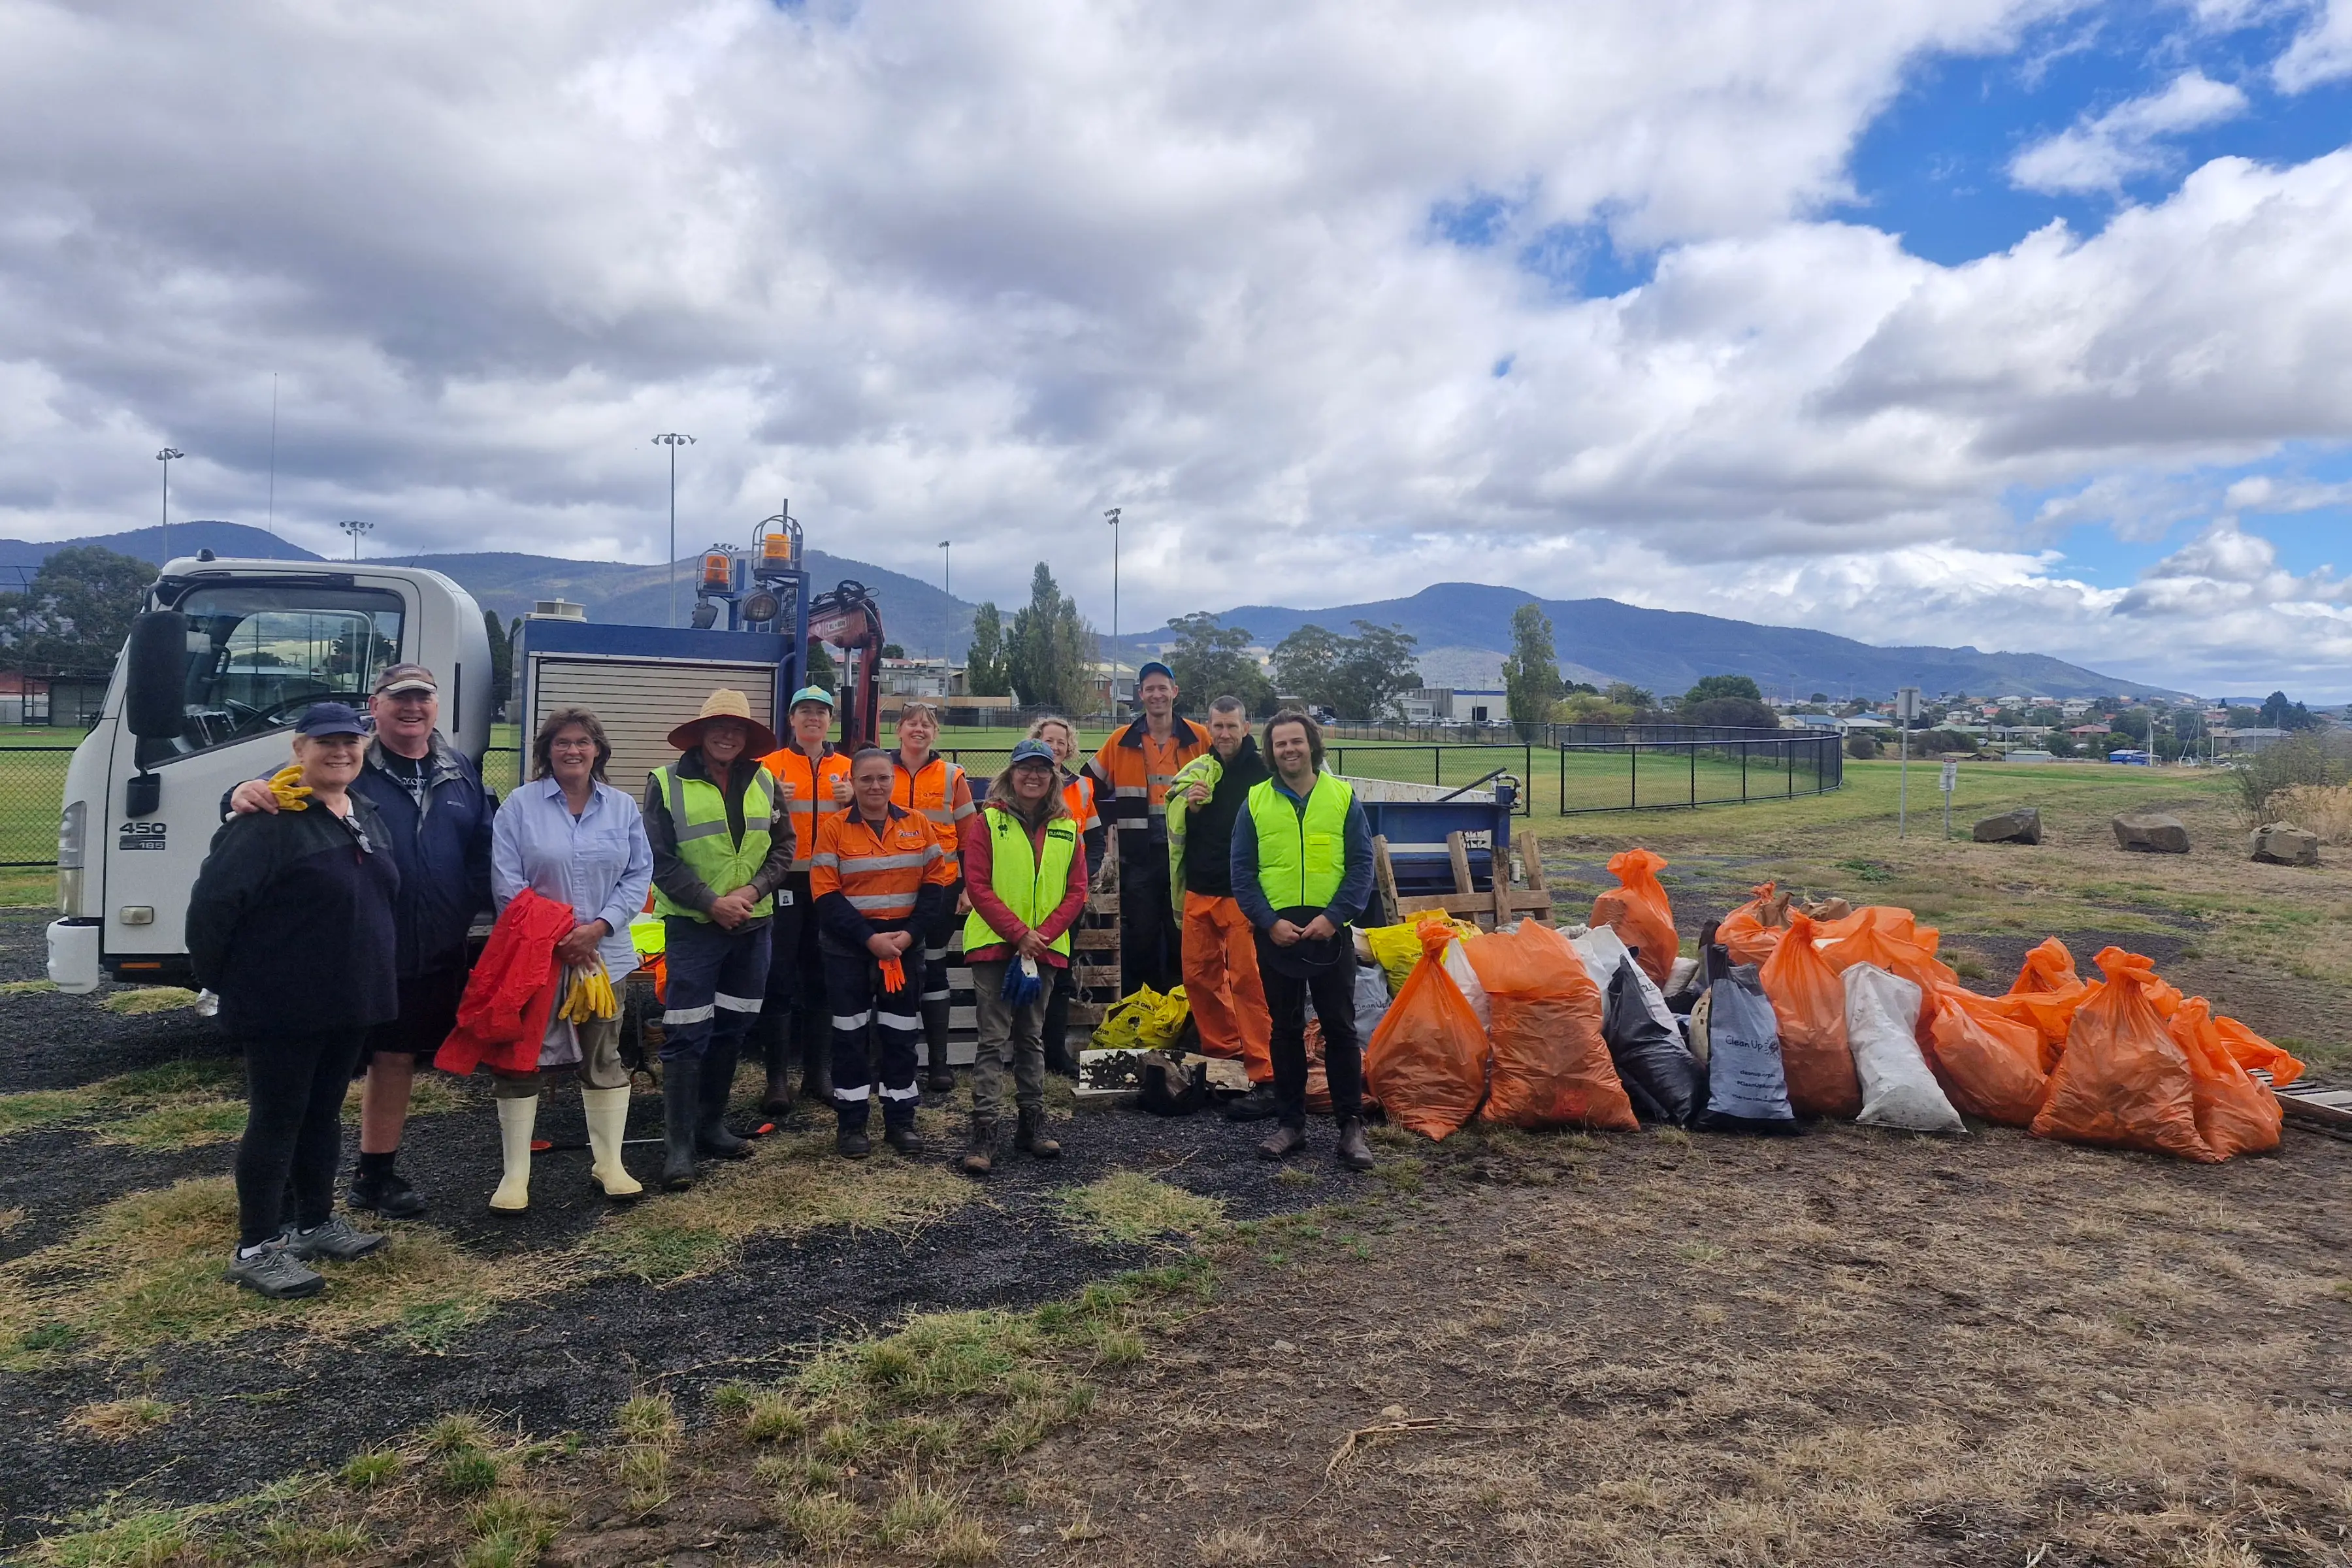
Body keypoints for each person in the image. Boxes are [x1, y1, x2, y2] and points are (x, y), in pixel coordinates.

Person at [227, 662, 495, 1219]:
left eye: (422, 698)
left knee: (395, 1059)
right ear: (376, 707)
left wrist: (460, 910)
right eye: (399, 699)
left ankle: (374, 1176)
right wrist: (240, 790)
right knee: (314, 1077)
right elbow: (261, 798)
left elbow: (481, 851)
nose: (412, 708)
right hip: (348, 949)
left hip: (429, 947)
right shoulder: (346, 759)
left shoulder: (461, 770)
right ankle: (283, 1195)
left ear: (436, 707)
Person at [189, 703, 397, 1299]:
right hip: (283, 1000)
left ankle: (314, 1222)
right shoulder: (269, 819)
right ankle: (256, 1246)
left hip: (349, 998)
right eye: (326, 743)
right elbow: (212, 907)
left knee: (322, 1113)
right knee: (277, 1118)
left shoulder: (367, 815)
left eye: (351, 742)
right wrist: (222, 979)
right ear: (299, 750)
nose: (341, 752)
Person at [482, 707, 654, 1209]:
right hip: (536, 958)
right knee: (521, 1061)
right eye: (561, 743)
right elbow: (506, 881)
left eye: (582, 742)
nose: (572, 750)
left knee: (603, 1056)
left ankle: (610, 1165)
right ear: (547, 752)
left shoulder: (622, 808)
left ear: (597, 749)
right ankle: (516, 1176)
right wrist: (555, 937)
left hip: (605, 957)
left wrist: (598, 929)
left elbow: (637, 876)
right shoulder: (520, 805)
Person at [644, 689, 794, 1190]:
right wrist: (712, 903)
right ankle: (679, 1145)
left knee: (732, 1028)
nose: (728, 736)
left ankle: (712, 1126)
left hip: (754, 925)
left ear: (748, 739)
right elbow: (659, 859)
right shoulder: (665, 783)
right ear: (702, 733)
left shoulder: (766, 780)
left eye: (737, 730)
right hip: (694, 928)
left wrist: (752, 891)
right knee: (687, 1033)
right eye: (719, 728)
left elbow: (784, 847)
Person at [1232, 708, 1376, 1171]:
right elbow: (1242, 872)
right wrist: (1267, 922)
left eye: (1297, 742)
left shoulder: (1342, 797)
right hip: (1278, 935)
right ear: (1271, 752)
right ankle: (1291, 1125)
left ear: (1312, 745)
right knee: (1285, 1029)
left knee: (1340, 1029)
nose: (1289, 750)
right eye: (1280, 744)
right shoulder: (1254, 801)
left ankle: (1350, 1127)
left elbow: (1361, 865)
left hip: (1328, 936)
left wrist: (1334, 918)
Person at [811, 747, 957, 1158]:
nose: (875, 786)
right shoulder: (834, 829)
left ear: (892, 780)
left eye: (882, 779)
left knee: (900, 1034)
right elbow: (825, 895)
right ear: (852, 783)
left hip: (903, 949)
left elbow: (935, 888)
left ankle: (901, 1121)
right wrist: (869, 940)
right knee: (850, 1037)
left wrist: (908, 937)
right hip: (849, 949)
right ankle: (852, 1124)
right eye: (865, 780)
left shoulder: (919, 824)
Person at [956, 740, 1087, 1175]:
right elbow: (977, 885)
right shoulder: (988, 821)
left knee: (1031, 1038)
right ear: (1011, 774)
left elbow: (1076, 891)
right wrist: (1019, 934)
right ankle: (985, 1132)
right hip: (995, 946)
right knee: (993, 1040)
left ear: (1054, 776)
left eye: (1042, 770)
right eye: (1024, 769)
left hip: (1044, 950)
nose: (1033, 777)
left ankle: (1032, 1126)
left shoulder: (1069, 827)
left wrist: (1043, 936)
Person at [1169, 695, 1277, 1117]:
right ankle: (1224, 1063)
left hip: (1243, 893)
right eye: (1218, 727)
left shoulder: (1263, 773)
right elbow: (1182, 819)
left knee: (1248, 983)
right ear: (1207, 728)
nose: (1225, 734)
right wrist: (1191, 806)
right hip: (1200, 888)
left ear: (1246, 728)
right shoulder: (1201, 770)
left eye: (1233, 726)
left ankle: (1265, 1074)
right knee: (1199, 978)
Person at [754, 685, 854, 1114]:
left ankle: (819, 1075)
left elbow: (875, 817)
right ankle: (776, 1080)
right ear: (791, 720)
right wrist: (768, 802)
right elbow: (745, 825)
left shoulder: (850, 769)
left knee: (823, 979)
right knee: (778, 979)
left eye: (821, 712)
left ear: (830, 721)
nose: (813, 719)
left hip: (831, 885)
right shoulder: (767, 767)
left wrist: (856, 803)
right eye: (805, 712)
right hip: (784, 883)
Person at [1087, 661, 1210, 996]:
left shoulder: (1200, 738)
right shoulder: (1121, 741)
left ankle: (1181, 1011)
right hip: (1138, 858)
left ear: (1175, 691)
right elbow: (1085, 787)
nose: (1157, 695)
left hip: (1185, 856)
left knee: (1181, 936)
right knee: (1140, 936)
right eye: (1150, 689)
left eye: (1163, 687)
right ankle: (1142, 1012)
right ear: (1141, 695)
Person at [888, 702, 975, 1096]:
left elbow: (971, 836)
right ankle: (893, 1062)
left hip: (940, 886)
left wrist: (971, 886)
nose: (918, 730)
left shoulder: (952, 776)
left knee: (934, 967)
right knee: (893, 969)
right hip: (886, 887)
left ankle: (939, 1064)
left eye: (926, 725)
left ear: (935, 733)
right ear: (899, 731)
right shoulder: (878, 768)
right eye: (911, 724)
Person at [1027, 715, 1102, 1077]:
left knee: (1058, 977)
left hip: (1066, 900)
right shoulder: (1025, 783)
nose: (1055, 747)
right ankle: (1025, 1054)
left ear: (1069, 746)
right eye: (1048, 740)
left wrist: (1082, 881)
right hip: (1025, 899)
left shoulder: (1083, 788)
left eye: (1061, 741)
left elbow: (1097, 841)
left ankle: (1054, 1054)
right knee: (1023, 973)